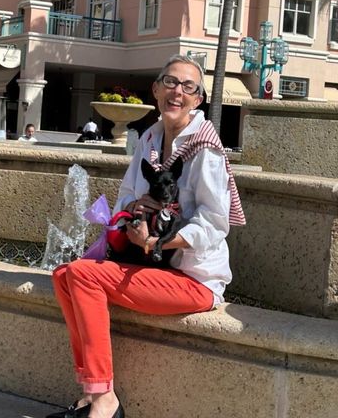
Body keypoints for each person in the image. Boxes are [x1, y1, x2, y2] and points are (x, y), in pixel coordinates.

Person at [48, 55, 245, 418]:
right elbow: (125, 194)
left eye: (188, 87)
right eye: (170, 82)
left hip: (193, 278)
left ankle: (105, 401)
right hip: (151, 266)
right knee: (63, 275)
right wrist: (136, 208)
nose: (177, 92)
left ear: (198, 99)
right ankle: (94, 396)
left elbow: (216, 223)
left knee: (81, 274)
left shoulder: (206, 149)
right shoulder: (149, 139)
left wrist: (157, 242)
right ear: (156, 89)